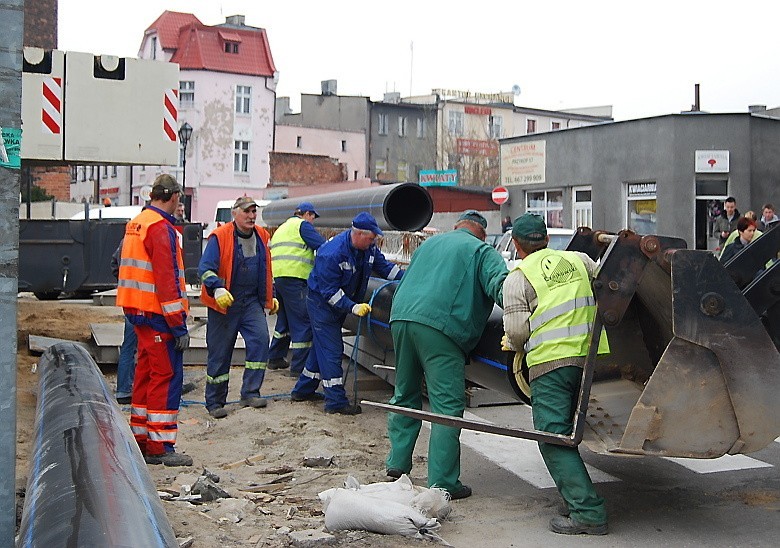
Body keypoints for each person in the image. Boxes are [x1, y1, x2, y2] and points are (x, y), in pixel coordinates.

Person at [385, 210, 508, 500]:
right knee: (446, 407)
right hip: (441, 329)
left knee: (405, 394)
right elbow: (502, 290)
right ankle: (443, 482)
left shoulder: (428, 244)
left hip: (400, 318)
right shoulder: (482, 250)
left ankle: (397, 464)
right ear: (481, 232)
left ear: (457, 227)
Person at [502, 213, 610, 535]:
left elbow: (518, 334)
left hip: (552, 364)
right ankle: (574, 496)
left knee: (552, 436)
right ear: (547, 239)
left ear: (517, 246)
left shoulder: (517, 278)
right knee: (575, 429)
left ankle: (588, 513)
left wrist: (514, 338)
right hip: (593, 361)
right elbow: (604, 281)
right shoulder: (579, 260)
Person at [290, 212, 403, 415]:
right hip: (322, 305)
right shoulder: (331, 253)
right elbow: (329, 292)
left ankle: (303, 390)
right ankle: (335, 402)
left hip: (339, 302)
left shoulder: (368, 249)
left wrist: (408, 279)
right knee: (333, 350)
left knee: (321, 349)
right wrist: (352, 307)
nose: (373, 242)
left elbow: (386, 268)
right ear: (358, 234)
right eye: (370, 238)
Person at [116, 174, 192, 467]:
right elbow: (168, 281)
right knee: (165, 375)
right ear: (173, 196)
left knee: (145, 374)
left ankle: (141, 437)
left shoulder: (137, 223)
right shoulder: (162, 229)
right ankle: (160, 446)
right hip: (158, 315)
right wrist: (178, 325)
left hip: (137, 312)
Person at [199, 196, 279, 419]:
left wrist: (270, 296)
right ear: (235, 213)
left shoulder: (262, 236)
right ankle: (215, 402)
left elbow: (266, 269)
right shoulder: (220, 237)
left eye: (254, 212)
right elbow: (205, 268)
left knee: (261, 340)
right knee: (220, 352)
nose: (252, 216)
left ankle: (250, 392)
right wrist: (217, 289)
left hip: (251, 301)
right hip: (225, 304)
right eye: (247, 212)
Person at [267, 201, 326, 377]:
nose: (313, 221)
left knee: (284, 320)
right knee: (303, 322)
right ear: (307, 214)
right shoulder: (303, 226)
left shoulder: (282, 227)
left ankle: (275, 357)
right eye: (313, 216)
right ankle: (300, 367)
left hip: (279, 279)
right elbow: (322, 246)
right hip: (296, 278)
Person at [111, 238, 137, 405]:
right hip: (141, 301)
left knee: (129, 345)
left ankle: (124, 388)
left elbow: (114, 264)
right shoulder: (145, 237)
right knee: (135, 346)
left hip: (129, 298)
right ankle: (126, 389)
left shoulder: (127, 240)